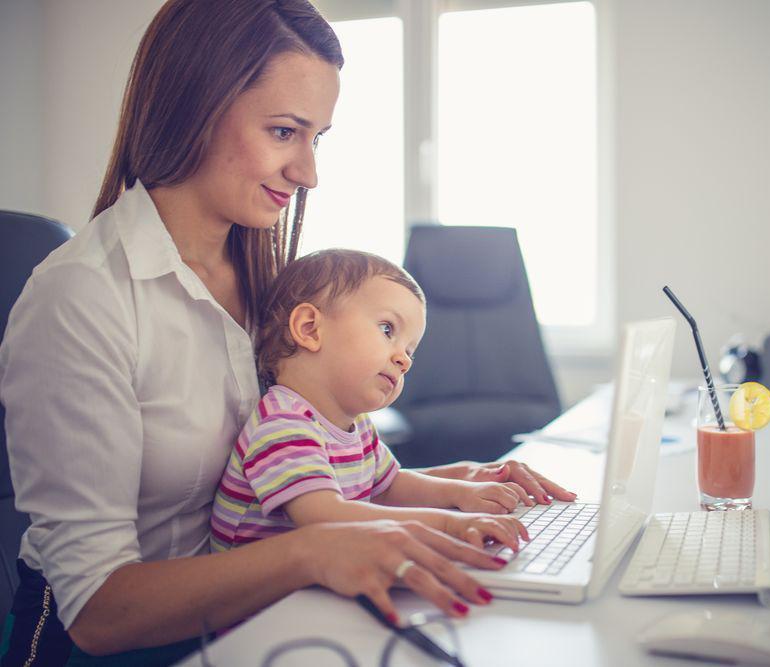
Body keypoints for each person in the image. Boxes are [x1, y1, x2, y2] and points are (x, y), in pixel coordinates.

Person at [0, 1, 573, 665]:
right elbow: (99, 610)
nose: (308, 173)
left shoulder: (267, 281)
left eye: (317, 137)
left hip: (245, 616)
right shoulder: (83, 294)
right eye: (283, 131)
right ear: (194, 106)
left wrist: (460, 482)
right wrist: (310, 550)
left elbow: (301, 468)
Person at [211, 249, 531, 559]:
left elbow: (388, 485)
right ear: (309, 328)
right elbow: (325, 516)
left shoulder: (356, 424)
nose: (404, 360)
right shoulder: (282, 425)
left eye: (410, 350)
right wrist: (449, 523)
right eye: (388, 329)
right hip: (264, 605)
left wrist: (462, 493)